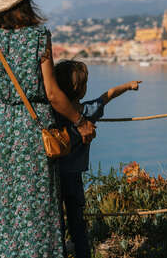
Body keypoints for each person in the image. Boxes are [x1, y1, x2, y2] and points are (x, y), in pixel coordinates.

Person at [0, 0, 96, 258]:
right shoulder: (39, 37)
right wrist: (81, 121)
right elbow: (52, 94)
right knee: (37, 206)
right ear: (24, 4)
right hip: (33, 134)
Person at [54, 60, 141, 258]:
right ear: (81, 89)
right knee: (78, 224)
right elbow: (108, 95)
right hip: (74, 176)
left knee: (56, 223)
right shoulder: (87, 112)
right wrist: (128, 86)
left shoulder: (52, 114)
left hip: (53, 175)